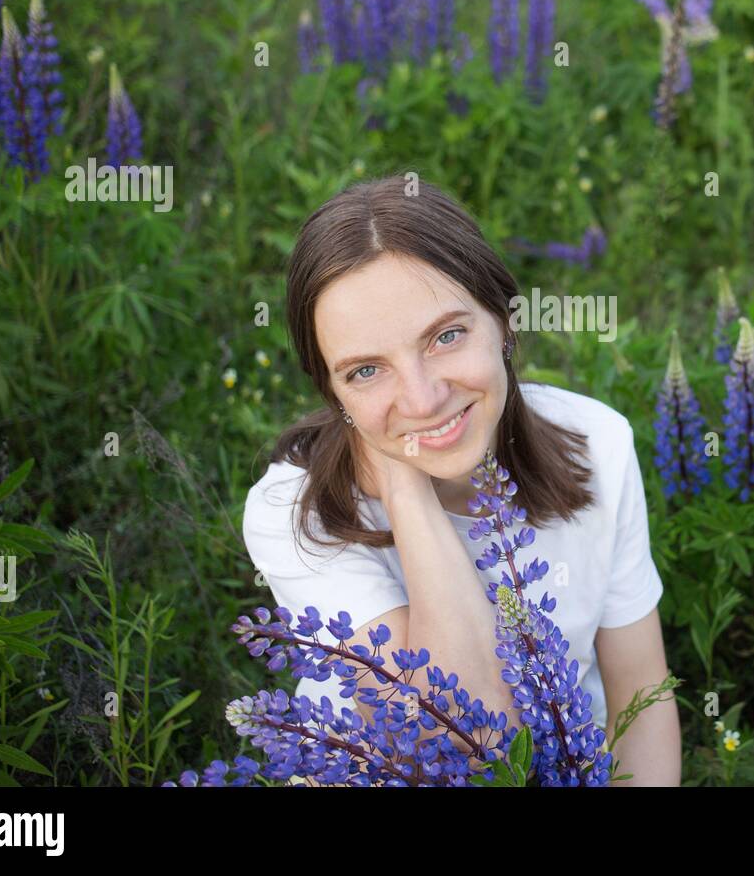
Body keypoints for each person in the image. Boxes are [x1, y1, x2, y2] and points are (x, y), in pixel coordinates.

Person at [242, 173, 681, 785]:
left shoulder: (598, 443)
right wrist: (404, 486)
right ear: (332, 392)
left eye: (446, 336)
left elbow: (642, 691)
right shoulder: (293, 514)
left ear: (504, 322)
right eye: (366, 371)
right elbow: (472, 740)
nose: (421, 399)